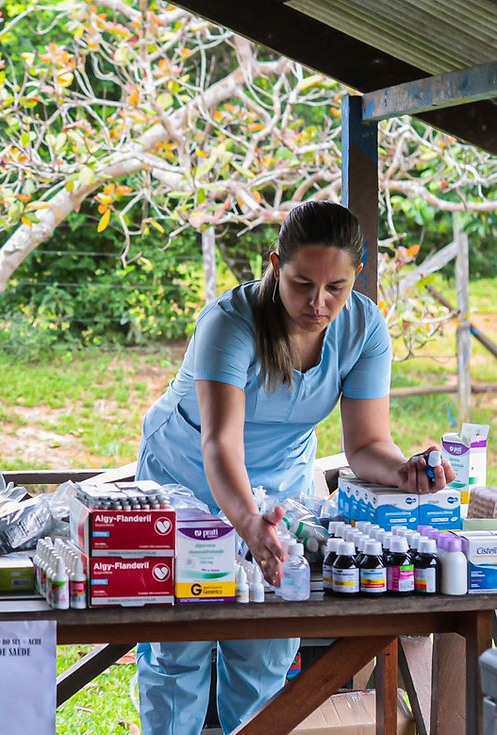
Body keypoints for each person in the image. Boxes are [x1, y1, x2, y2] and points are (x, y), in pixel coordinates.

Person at [134, 200, 455, 735]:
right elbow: (219, 446)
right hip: (184, 480)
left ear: (359, 275)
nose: (318, 303)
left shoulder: (365, 329)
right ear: (274, 263)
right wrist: (247, 524)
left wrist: (403, 471)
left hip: (278, 488)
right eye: (302, 284)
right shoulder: (228, 324)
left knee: (266, 644)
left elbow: (369, 443)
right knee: (180, 644)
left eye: (336, 288)